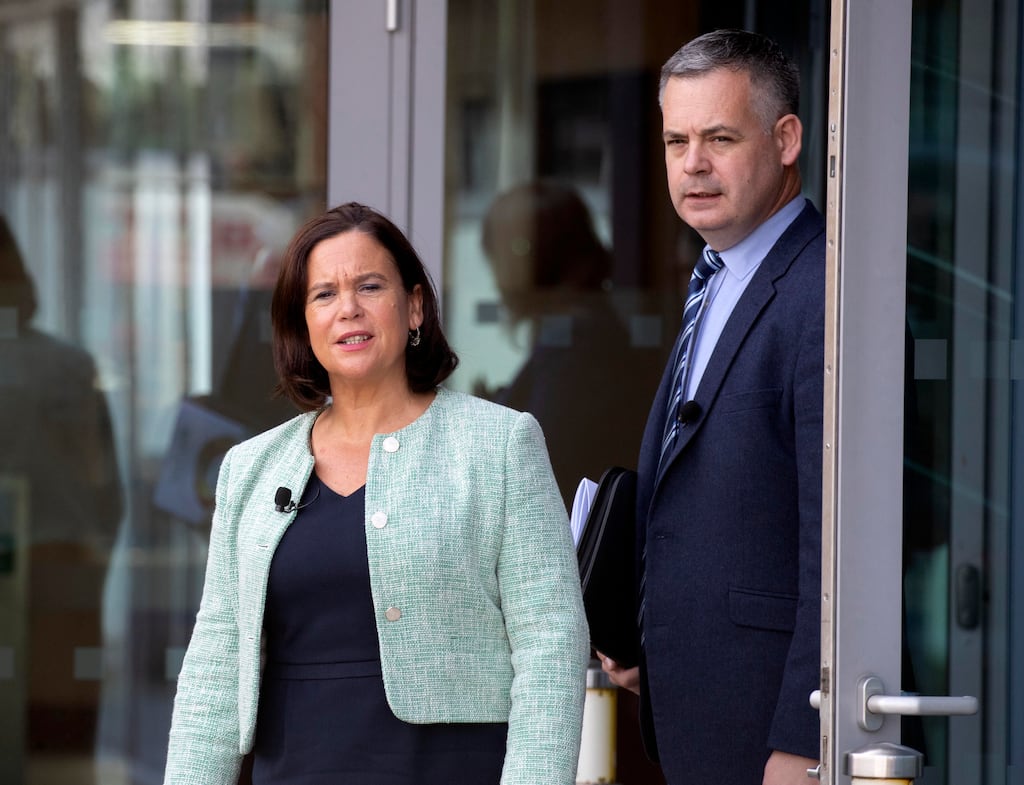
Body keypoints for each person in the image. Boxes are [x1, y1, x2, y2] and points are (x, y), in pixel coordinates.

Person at [162, 202, 589, 785]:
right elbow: (214, 662)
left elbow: (551, 643)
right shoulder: (250, 468)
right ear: (303, 324)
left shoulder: (499, 444)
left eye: (370, 286)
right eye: (324, 295)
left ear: (413, 306)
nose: (349, 310)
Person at [598, 30, 824, 785]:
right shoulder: (714, 276)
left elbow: (842, 543)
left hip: (774, 737)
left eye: (720, 138)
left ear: (786, 139)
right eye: (676, 140)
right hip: (698, 715)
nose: (692, 163)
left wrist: (807, 734)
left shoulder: (828, 291)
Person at [0, 215, 123, 761]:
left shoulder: (63, 366)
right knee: (60, 746)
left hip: (46, 567)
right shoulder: (72, 365)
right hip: (69, 567)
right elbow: (107, 494)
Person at [479, 180, 663, 506]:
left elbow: (543, 458)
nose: (498, 269)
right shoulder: (578, 331)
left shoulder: (578, 340)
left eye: (505, 248)